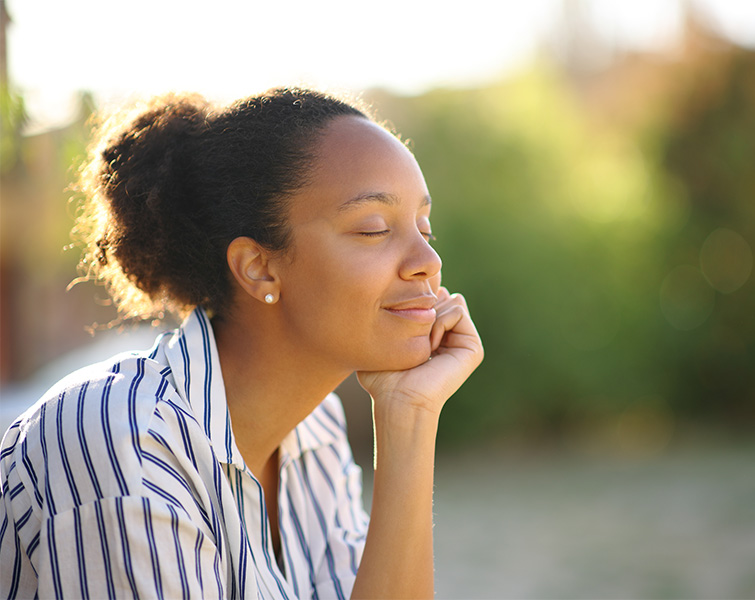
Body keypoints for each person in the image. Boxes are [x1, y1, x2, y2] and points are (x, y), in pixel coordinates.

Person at [0, 87, 483, 599]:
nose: (427, 262)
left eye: (423, 228)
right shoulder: (122, 437)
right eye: (373, 229)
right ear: (258, 267)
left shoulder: (316, 434)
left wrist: (409, 415)